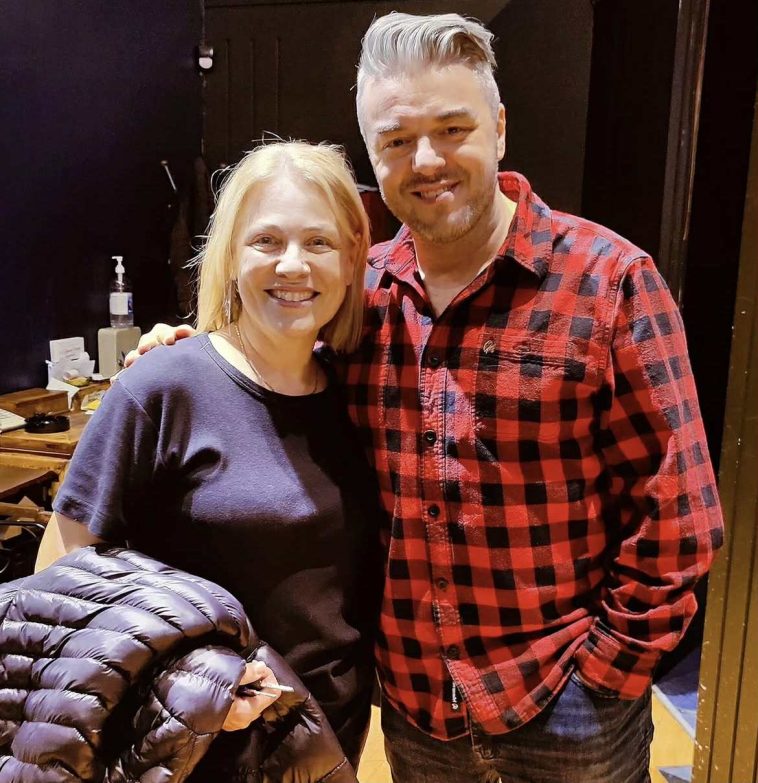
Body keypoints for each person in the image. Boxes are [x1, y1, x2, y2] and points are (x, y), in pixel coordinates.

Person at [129, 12, 724, 783]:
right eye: (398, 140)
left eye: (452, 129)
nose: (428, 160)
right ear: (372, 154)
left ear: (499, 127)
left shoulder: (609, 282)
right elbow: (267, 375)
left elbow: (679, 516)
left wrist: (608, 671)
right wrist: (186, 358)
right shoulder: (358, 295)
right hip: (414, 717)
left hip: (570, 709)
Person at [35, 141, 383, 773]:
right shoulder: (164, 385)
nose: (293, 265)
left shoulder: (356, 394)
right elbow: (60, 576)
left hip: (330, 738)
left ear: (352, 259)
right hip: (195, 746)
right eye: (266, 241)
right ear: (230, 254)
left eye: (319, 242)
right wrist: (189, 684)